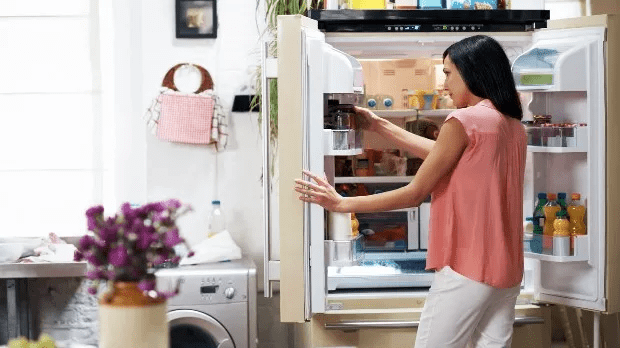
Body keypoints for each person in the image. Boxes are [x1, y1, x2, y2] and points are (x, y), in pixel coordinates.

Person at [294, 35, 527, 348]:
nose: (444, 84)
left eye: (447, 73)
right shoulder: (511, 125)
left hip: (468, 268)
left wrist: (341, 203)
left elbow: (415, 193)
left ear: (471, 72)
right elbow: (443, 154)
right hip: (507, 271)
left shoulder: (464, 120)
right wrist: (380, 126)